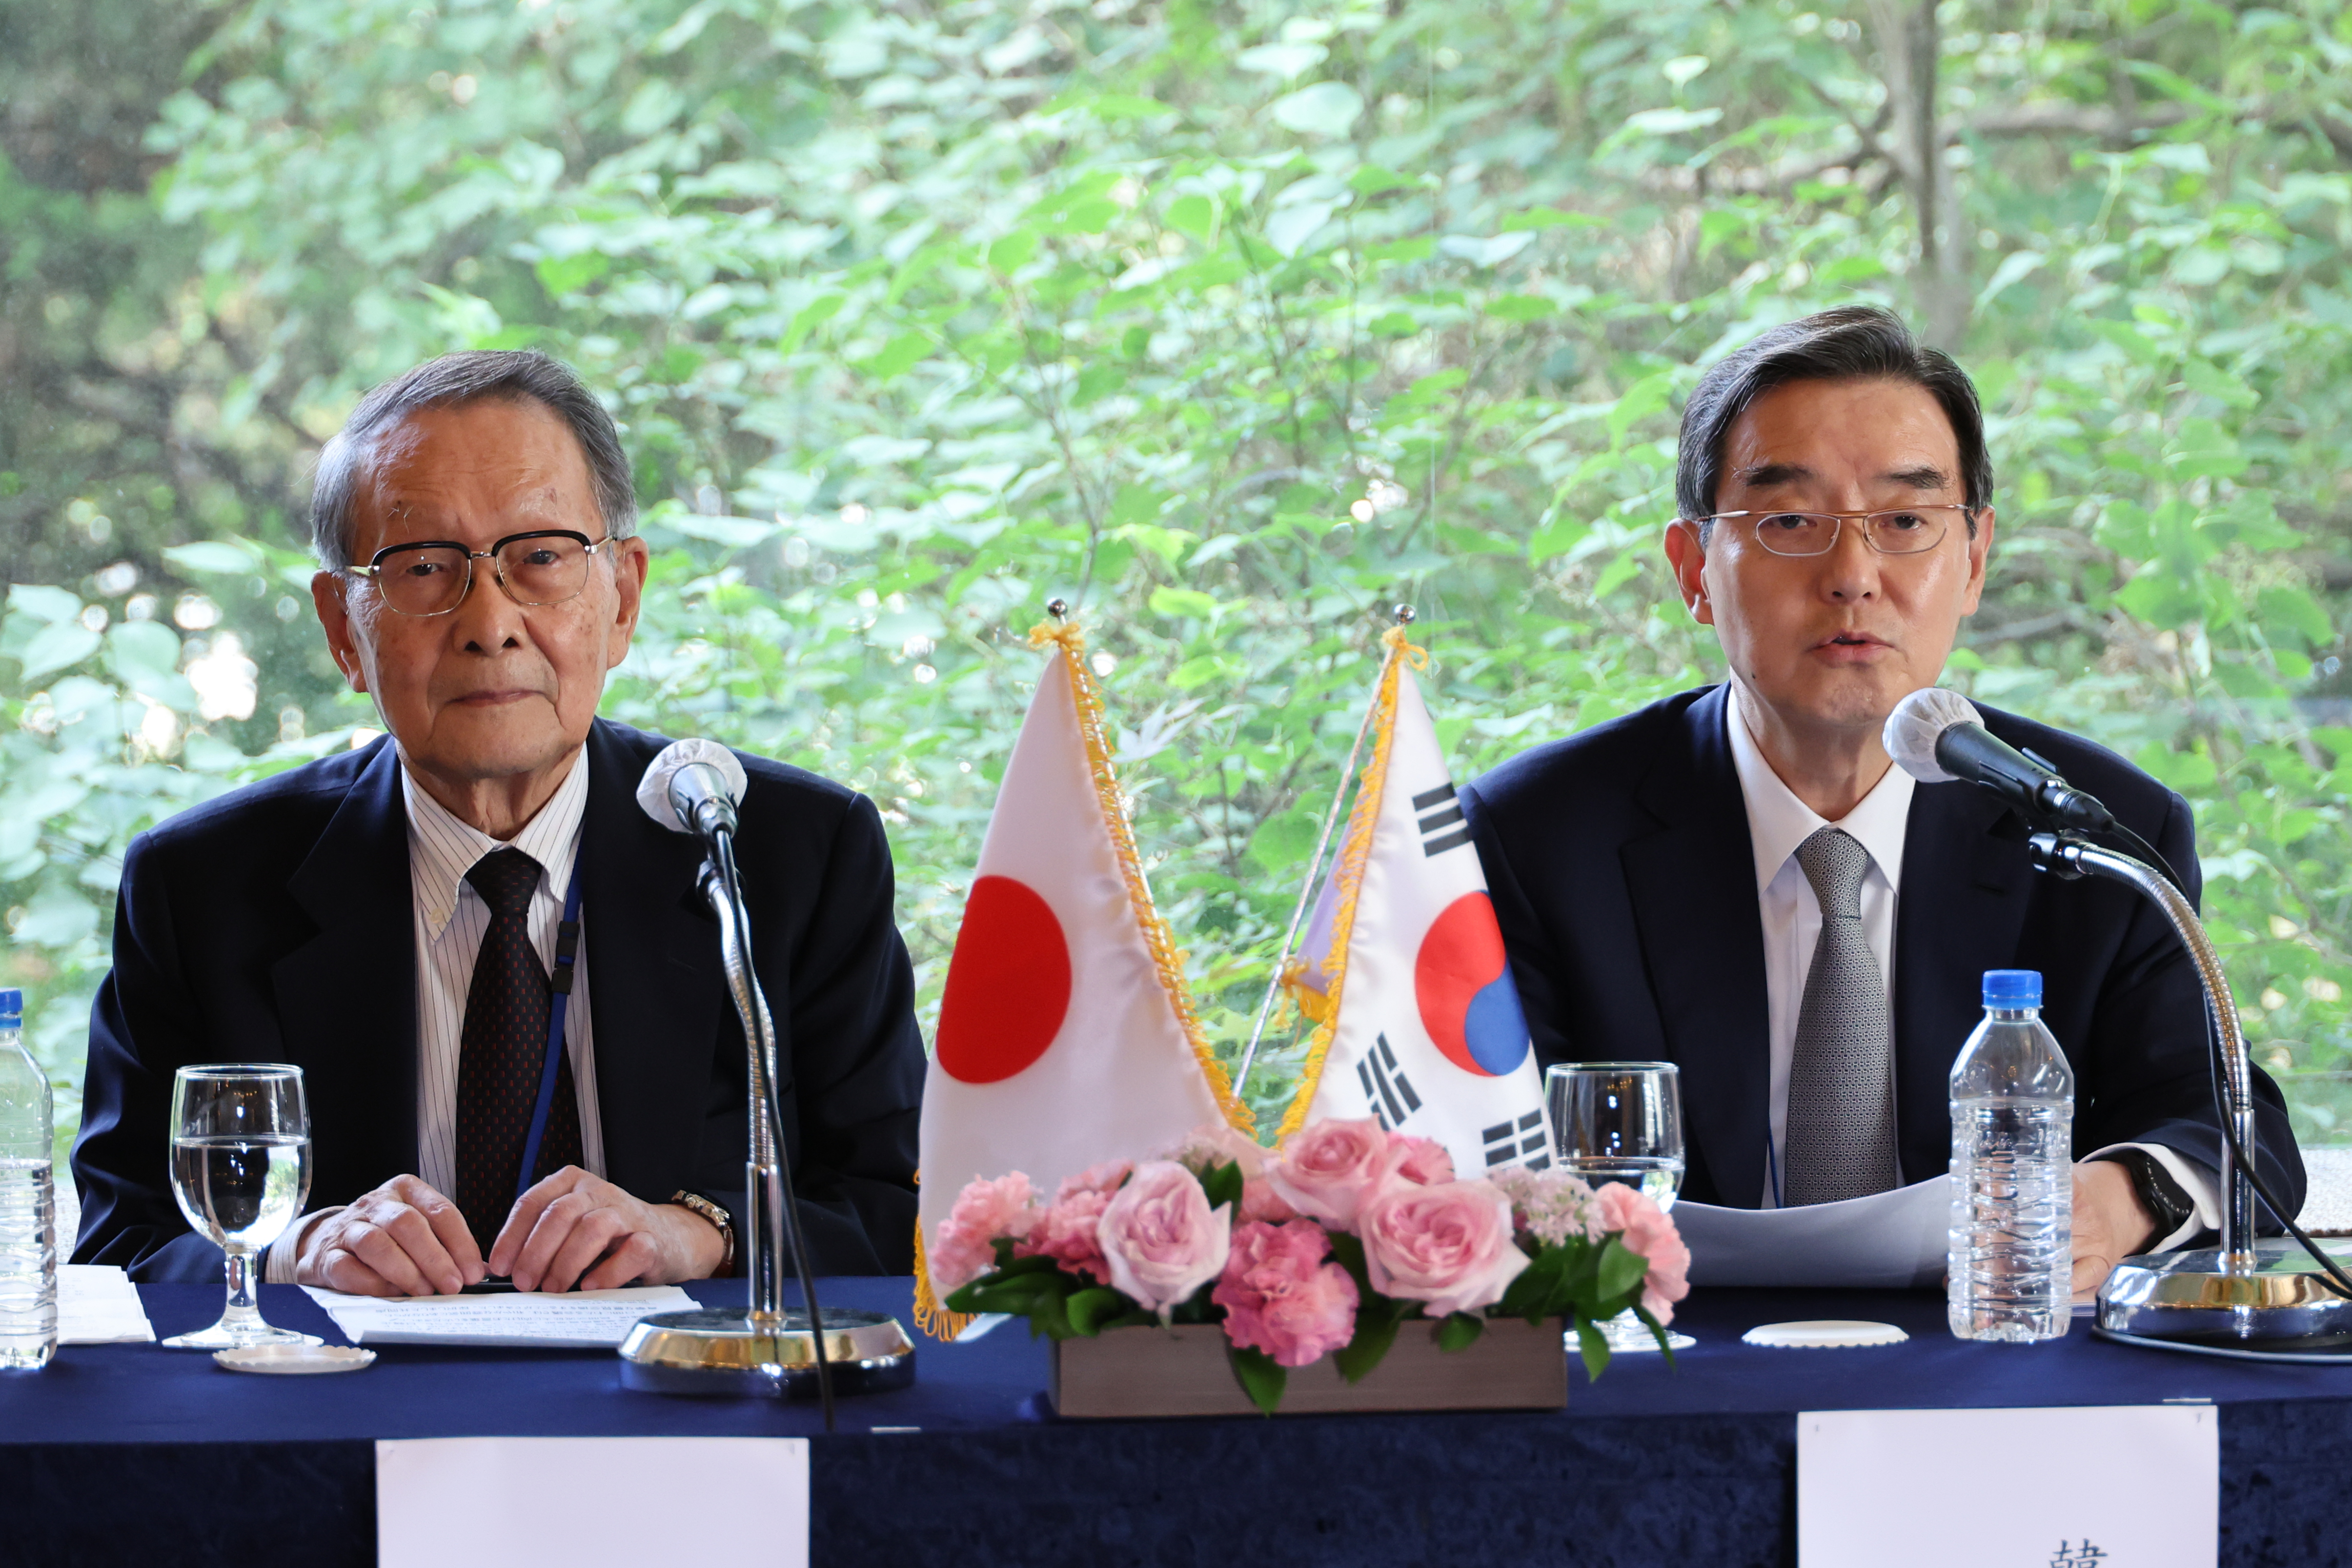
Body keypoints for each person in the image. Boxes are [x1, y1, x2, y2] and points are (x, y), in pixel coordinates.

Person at [1460, 306, 2303, 1297]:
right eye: (1787, 521)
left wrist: (2122, 1195)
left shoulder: (2094, 826)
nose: (1852, 576)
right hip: (1666, 1367)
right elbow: (1474, 1149)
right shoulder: (1539, 835)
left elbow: (2228, 1127)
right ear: (1693, 570)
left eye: (1904, 521)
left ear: (1975, 559)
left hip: (1987, 1379)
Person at [72, 350, 925, 1292]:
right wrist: (289, 1251)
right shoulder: (202, 890)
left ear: (624, 600)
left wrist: (701, 1237)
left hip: (687, 1426)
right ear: (343, 629)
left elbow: (902, 1214)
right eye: (426, 567)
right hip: (344, 1422)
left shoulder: (786, 855)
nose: (490, 621)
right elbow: (120, 1247)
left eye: (541, 559)